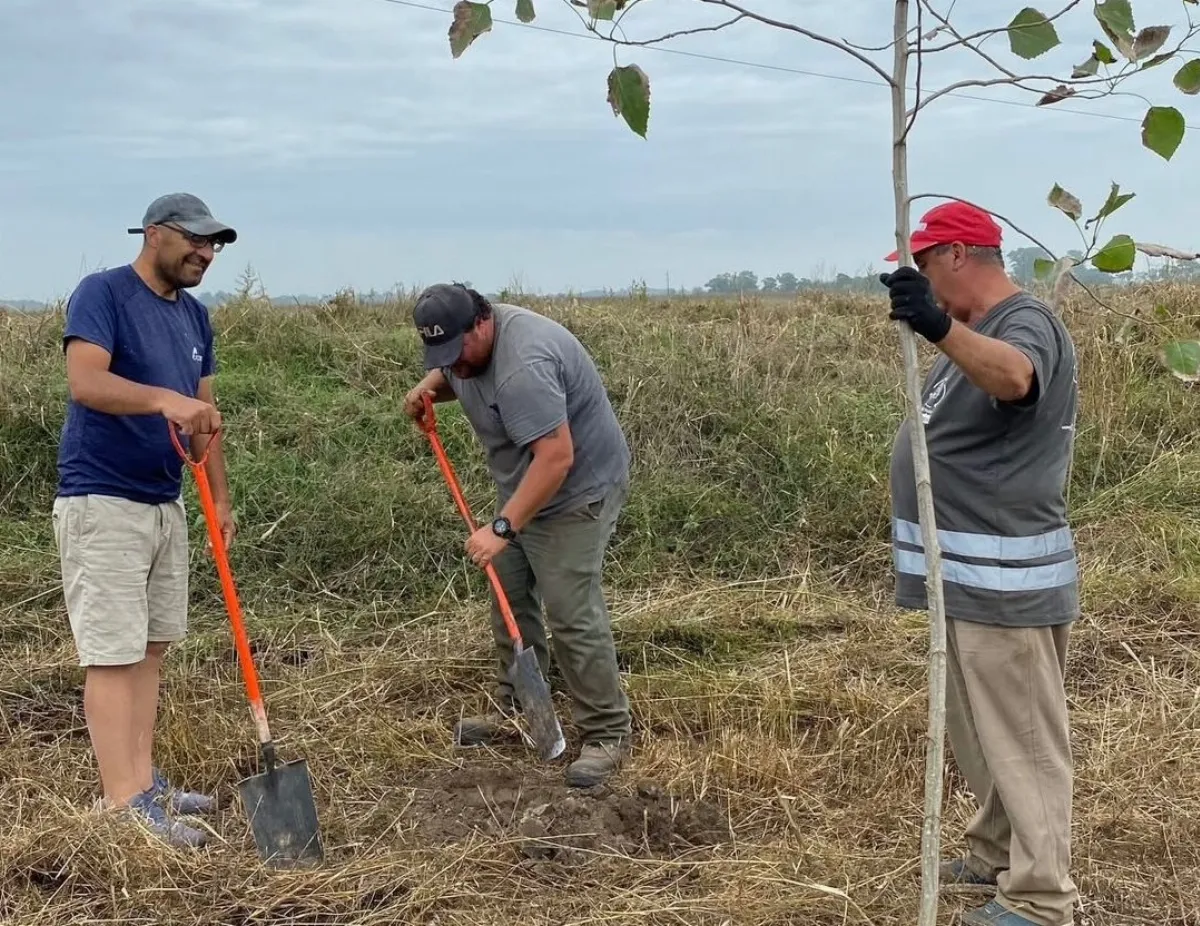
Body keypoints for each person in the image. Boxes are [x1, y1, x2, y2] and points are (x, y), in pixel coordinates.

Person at [879, 200, 1080, 926]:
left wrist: (938, 327)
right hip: (965, 580)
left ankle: (1040, 895)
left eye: (926, 268)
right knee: (984, 734)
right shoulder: (974, 330)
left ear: (959, 254)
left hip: (1006, 583)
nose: (925, 288)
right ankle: (997, 852)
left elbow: (1017, 379)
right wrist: (942, 332)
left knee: (1024, 741)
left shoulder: (1023, 324)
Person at [53, 193, 239, 848]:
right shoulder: (102, 294)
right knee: (112, 654)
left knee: (152, 650)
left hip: (165, 504)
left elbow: (204, 418)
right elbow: (85, 382)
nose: (206, 254)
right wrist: (164, 399)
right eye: (196, 241)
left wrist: (217, 499)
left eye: (215, 245)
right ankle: (123, 805)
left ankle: (143, 782)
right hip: (103, 501)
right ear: (155, 234)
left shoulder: (195, 318)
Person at [403, 282, 633, 788]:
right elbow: (451, 373)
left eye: (456, 351)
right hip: (525, 487)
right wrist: (427, 389)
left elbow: (556, 458)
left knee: (570, 610)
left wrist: (503, 527)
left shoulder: (523, 366)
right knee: (509, 597)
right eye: (439, 354)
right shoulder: (464, 352)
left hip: (576, 492)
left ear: (481, 323)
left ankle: (607, 733)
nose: (452, 364)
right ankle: (518, 708)